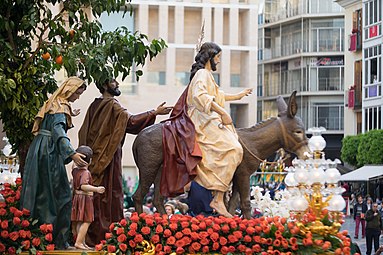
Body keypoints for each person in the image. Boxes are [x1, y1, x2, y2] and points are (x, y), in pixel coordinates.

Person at [161, 42, 252, 218]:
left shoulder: (207, 75)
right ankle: (218, 197)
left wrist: (238, 96)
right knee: (234, 149)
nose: (219, 60)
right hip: (201, 120)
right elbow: (200, 96)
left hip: (209, 118)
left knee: (234, 148)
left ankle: (218, 196)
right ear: (210, 57)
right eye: (217, 57)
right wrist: (222, 112)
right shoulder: (202, 74)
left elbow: (217, 95)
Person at [78, 78, 172, 246]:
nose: (118, 85)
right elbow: (132, 122)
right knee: (109, 195)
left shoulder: (94, 105)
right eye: (114, 82)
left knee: (96, 196)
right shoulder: (112, 105)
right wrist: (155, 112)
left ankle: (88, 237)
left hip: (95, 156)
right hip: (108, 157)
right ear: (105, 85)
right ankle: (105, 235)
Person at [20, 76, 88, 249]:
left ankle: (34, 236)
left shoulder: (53, 103)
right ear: (69, 90)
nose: (77, 97)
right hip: (49, 152)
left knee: (40, 192)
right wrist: (72, 153)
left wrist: (69, 114)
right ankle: (56, 241)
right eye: (77, 93)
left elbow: (53, 124)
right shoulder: (60, 107)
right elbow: (58, 132)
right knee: (61, 196)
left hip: (39, 150)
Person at [71, 146, 105, 250]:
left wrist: (76, 159)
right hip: (84, 199)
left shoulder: (75, 171)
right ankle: (79, 241)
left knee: (80, 220)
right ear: (89, 161)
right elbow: (83, 186)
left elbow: (73, 166)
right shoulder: (86, 173)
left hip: (77, 198)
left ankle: (81, 241)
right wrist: (96, 189)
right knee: (87, 220)